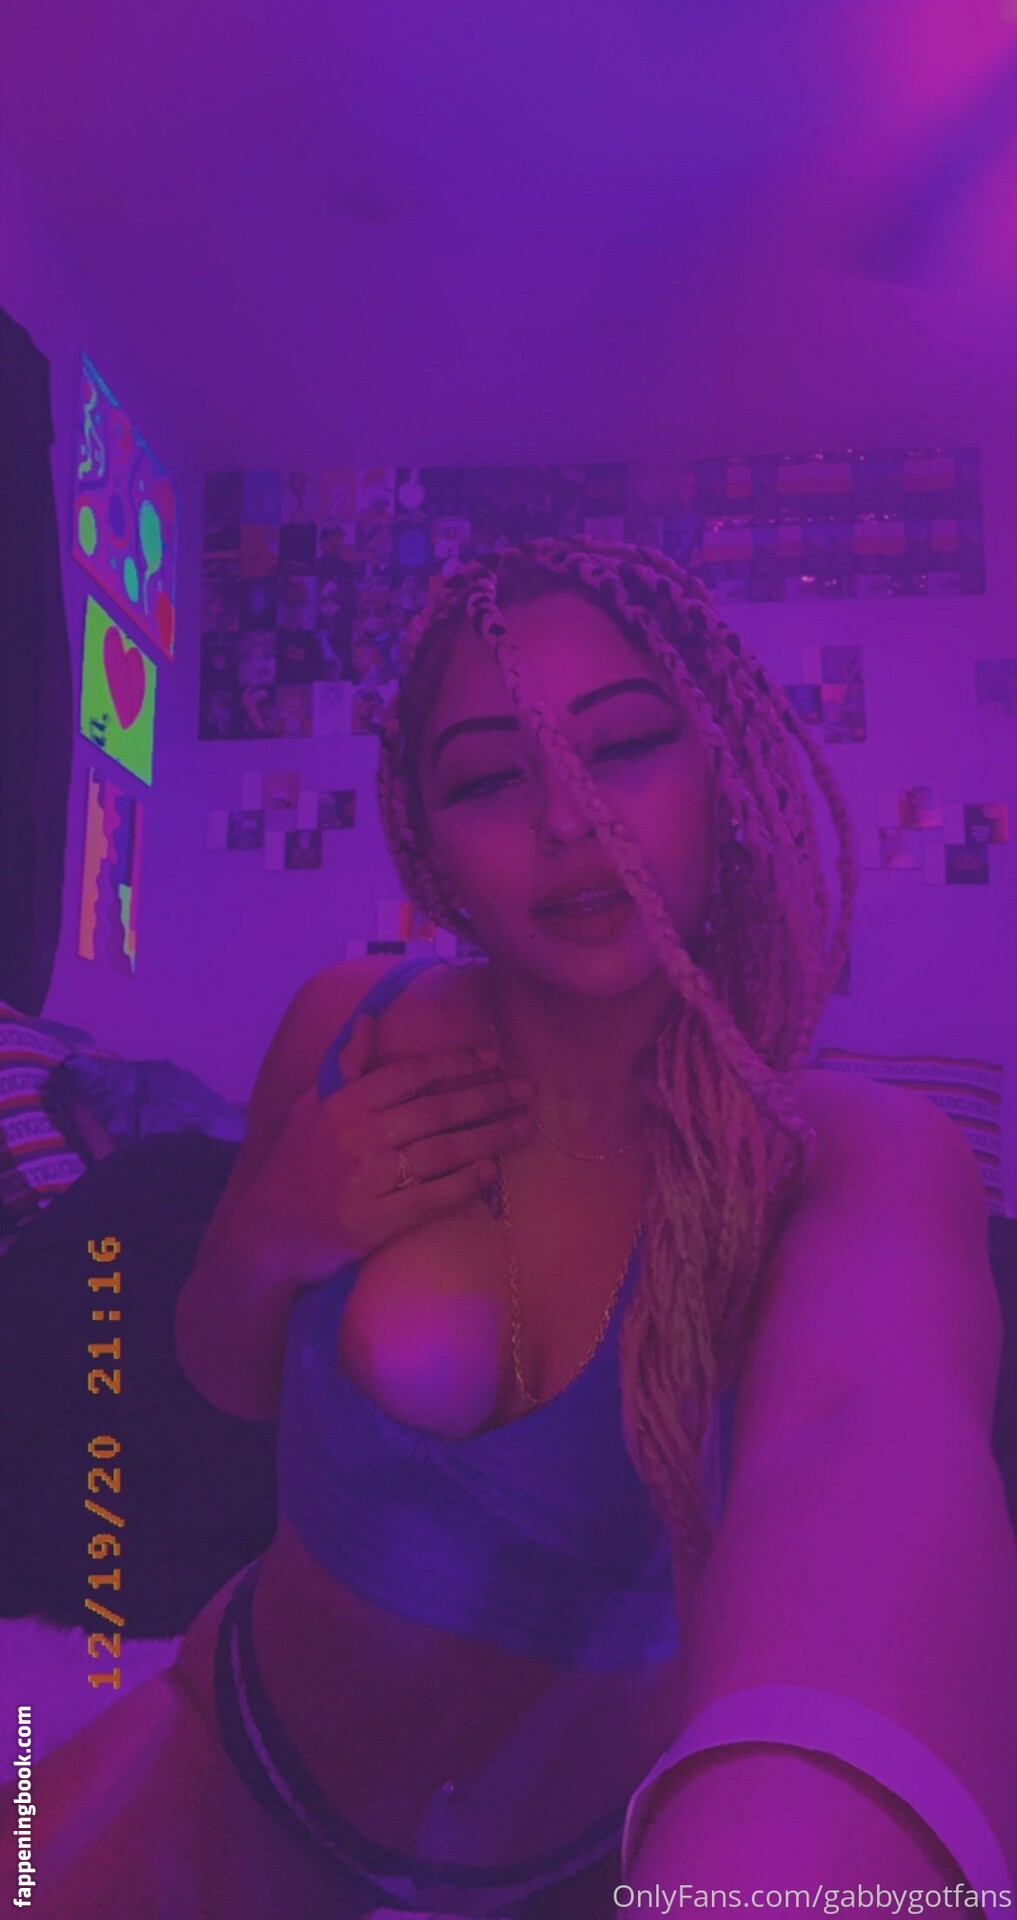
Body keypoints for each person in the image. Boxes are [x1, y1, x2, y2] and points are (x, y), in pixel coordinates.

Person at [5, 535, 1014, 1918]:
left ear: (725, 767)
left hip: (587, 1866)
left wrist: (802, 1831)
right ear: (429, 843)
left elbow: (869, 1442)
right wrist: (275, 1235)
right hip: (235, 1748)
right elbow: (217, 1373)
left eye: (627, 745)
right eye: (488, 777)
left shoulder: (846, 1156)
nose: (568, 818)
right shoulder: (347, 1026)